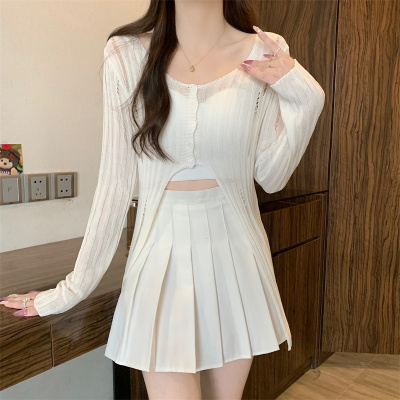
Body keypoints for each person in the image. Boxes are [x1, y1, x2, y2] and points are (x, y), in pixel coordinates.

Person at [0, 0, 325, 398]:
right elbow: (114, 184)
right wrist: (71, 290)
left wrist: (306, 98)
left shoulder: (265, 49)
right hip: (160, 261)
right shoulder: (126, 54)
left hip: (237, 259)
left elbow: (272, 177)